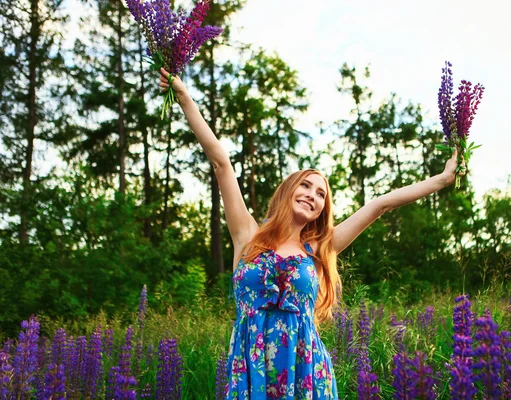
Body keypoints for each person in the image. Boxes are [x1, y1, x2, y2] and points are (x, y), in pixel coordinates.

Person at [158, 67, 462, 399]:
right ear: (289, 190)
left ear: (321, 210)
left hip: (306, 373)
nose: (313, 195)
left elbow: (379, 205)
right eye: (306, 185)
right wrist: (185, 97)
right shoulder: (247, 236)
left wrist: (443, 179)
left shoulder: (318, 249)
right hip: (250, 370)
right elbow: (221, 163)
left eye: (321, 194)